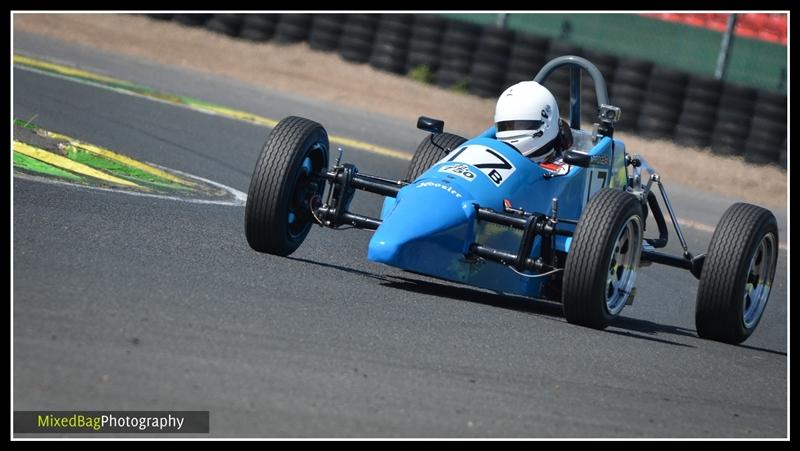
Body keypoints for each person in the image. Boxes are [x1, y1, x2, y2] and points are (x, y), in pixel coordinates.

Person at [494, 81, 573, 170]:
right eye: (506, 126)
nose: (511, 131)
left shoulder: (563, 170)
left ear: (546, 122)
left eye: (521, 125)